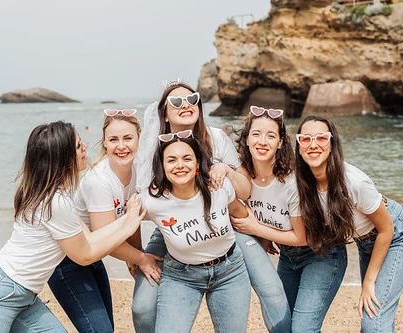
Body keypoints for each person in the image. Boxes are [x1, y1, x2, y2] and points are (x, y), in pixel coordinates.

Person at [0, 121, 145, 332]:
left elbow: (89, 239)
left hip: (25, 296)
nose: (85, 147)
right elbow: (84, 255)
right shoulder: (54, 201)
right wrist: (129, 224)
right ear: (63, 156)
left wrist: (129, 219)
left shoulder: (58, 196)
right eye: (78, 146)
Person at [131, 81, 253, 332]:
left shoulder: (217, 166)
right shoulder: (154, 193)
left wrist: (261, 234)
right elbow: (127, 219)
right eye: (175, 102)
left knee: (270, 287)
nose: (185, 105)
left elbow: (241, 203)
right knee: (143, 306)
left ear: (199, 162)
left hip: (227, 255)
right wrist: (137, 255)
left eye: (191, 99)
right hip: (177, 253)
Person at [294, 115, 403, 332]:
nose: (313, 145)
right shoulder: (304, 181)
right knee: (376, 317)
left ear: (332, 143)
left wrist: (369, 281)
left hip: (398, 235)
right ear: (298, 146)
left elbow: (386, 228)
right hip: (365, 243)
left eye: (321, 138)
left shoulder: (353, 181)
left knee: (373, 319)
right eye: (305, 139)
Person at [231, 106, 346, 332]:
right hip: (288, 255)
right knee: (284, 326)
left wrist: (258, 229)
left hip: (321, 254)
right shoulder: (242, 177)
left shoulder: (292, 180)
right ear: (246, 140)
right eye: (256, 134)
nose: (262, 141)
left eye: (271, 135)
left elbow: (302, 236)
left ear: (281, 142)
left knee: (303, 328)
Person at [47, 110, 161, 332]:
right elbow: (106, 241)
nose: (121, 146)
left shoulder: (140, 171)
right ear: (105, 144)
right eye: (113, 140)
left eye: (128, 138)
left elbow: (131, 218)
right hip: (68, 262)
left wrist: (136, 254)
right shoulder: (98, 181)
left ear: (140, 138)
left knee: (105, 327)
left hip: (93, 258)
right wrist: (141, 259)